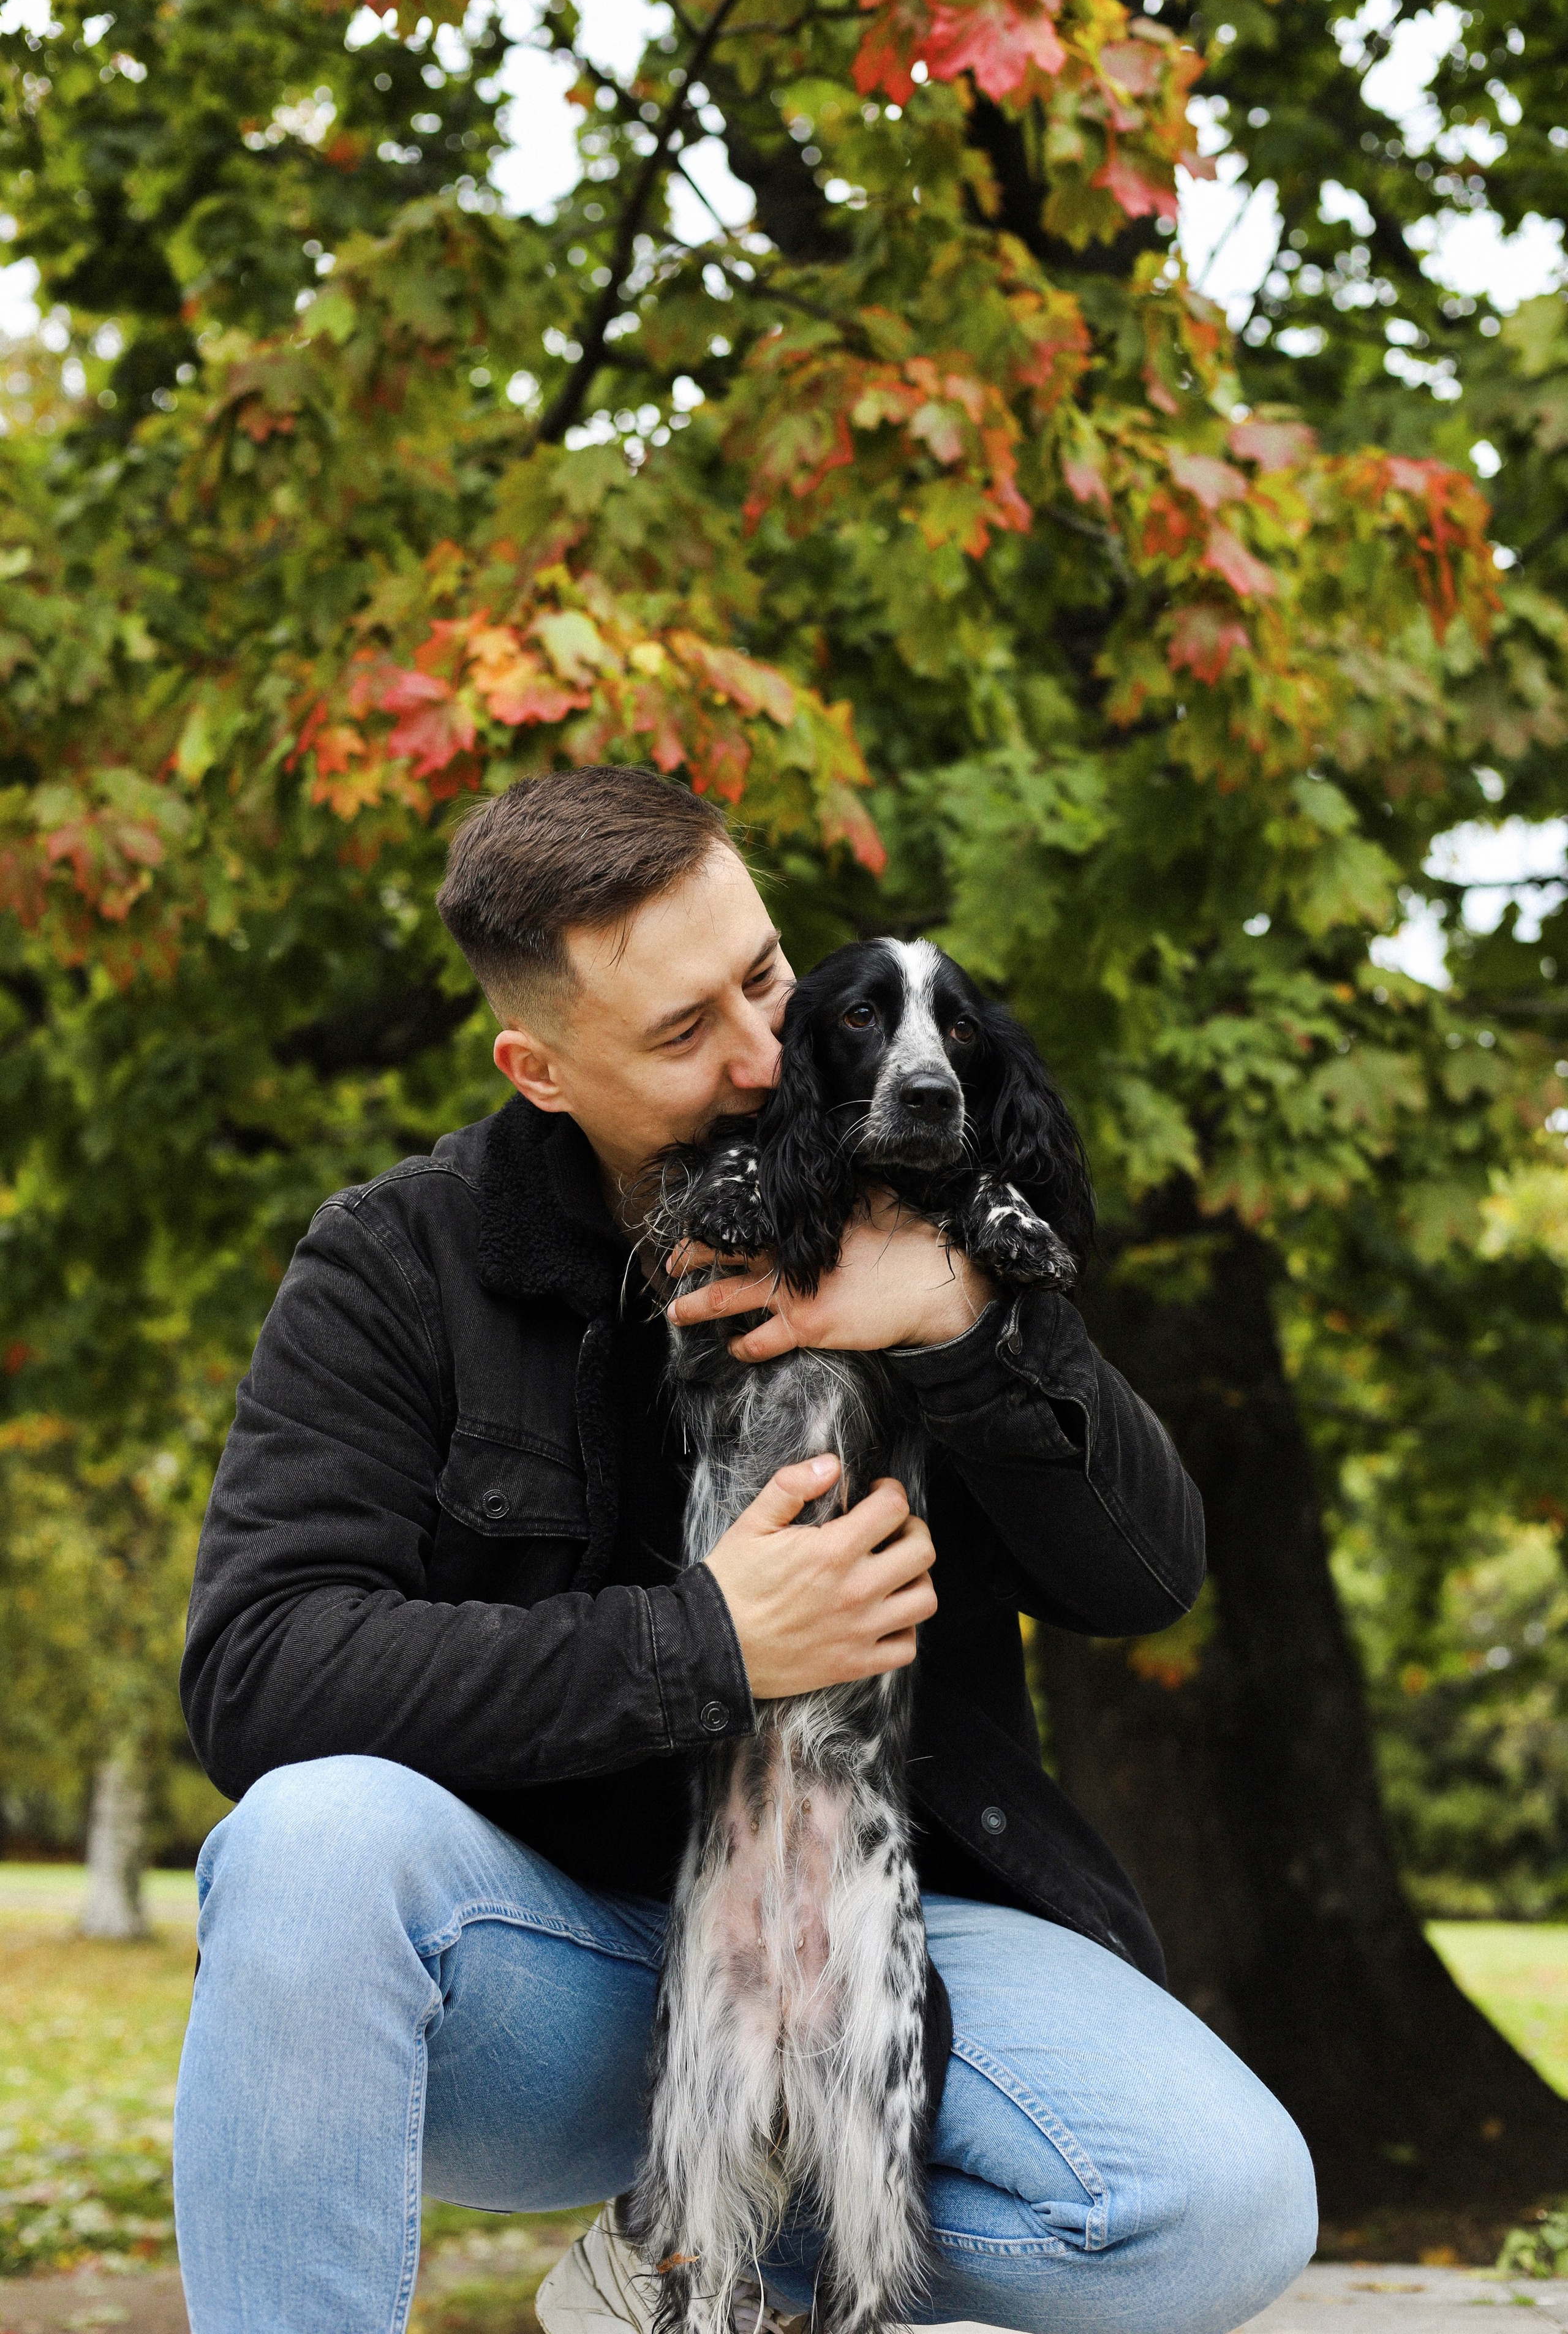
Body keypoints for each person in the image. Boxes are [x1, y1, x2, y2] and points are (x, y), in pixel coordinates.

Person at [173, 767, 1317, 2334]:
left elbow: (1144, 1577)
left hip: (880, 1921)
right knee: (309, 1843)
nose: (766, 1056)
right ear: (539, 1069)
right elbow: (261, 1671)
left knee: (1219, 2207)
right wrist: (705, 1644)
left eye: (765, 978)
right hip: (547, 1959)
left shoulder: (928, 1215)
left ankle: (683, 2254)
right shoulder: (401, 1259)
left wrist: (965, 1327)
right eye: (679, 1033)